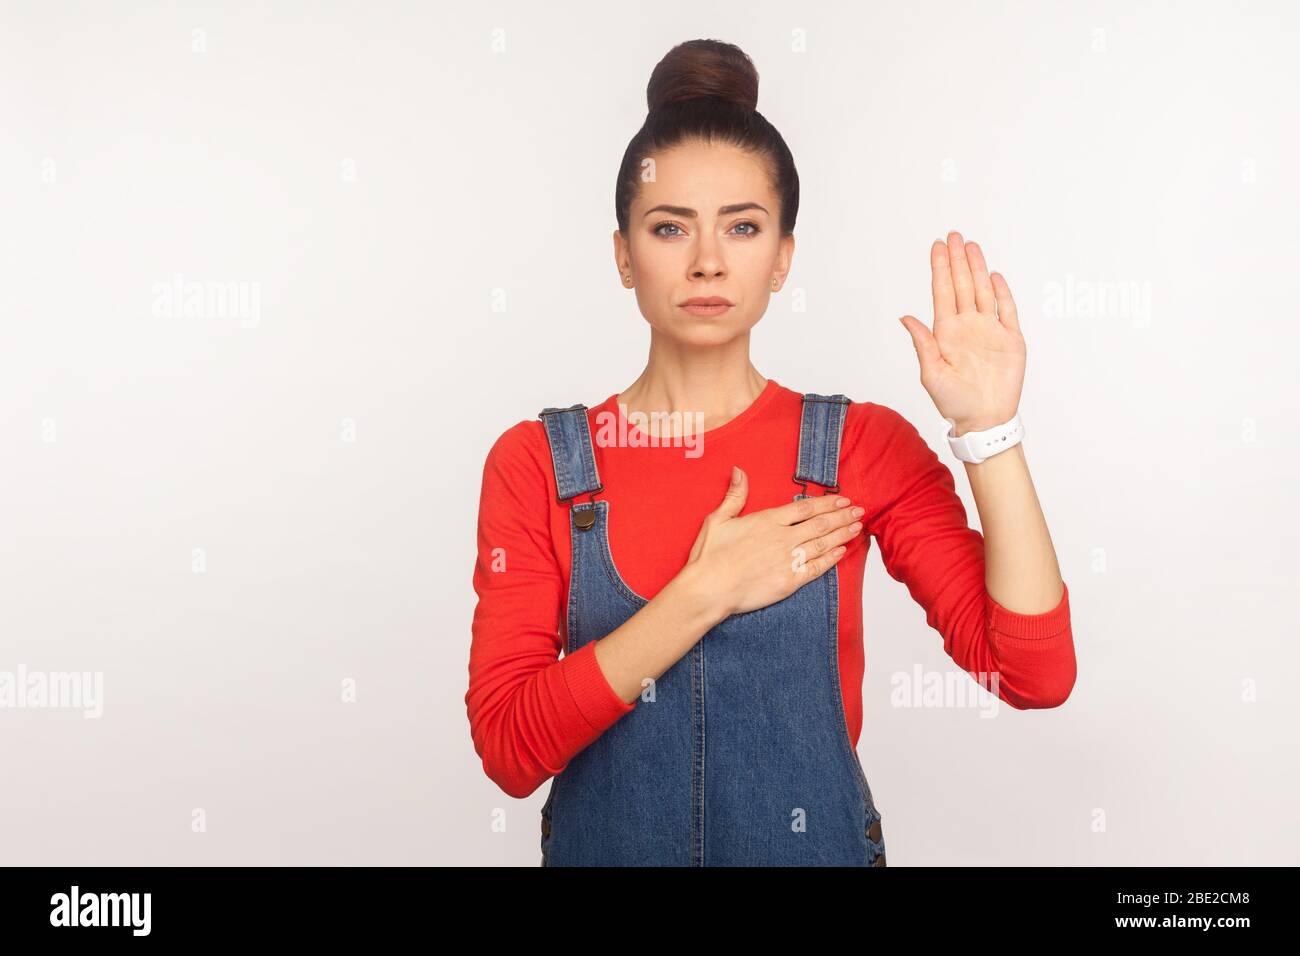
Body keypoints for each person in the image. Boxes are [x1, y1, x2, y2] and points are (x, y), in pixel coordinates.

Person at [466, 38, 1076, 867]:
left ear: (783, 257)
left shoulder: (861, 448)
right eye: (669, 227)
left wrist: (990, 433)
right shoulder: (539, 462)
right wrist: (704, 591)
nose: (708, 261)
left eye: (743, 227)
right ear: (623, 256)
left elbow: (1032, 675)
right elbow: (507, 748)